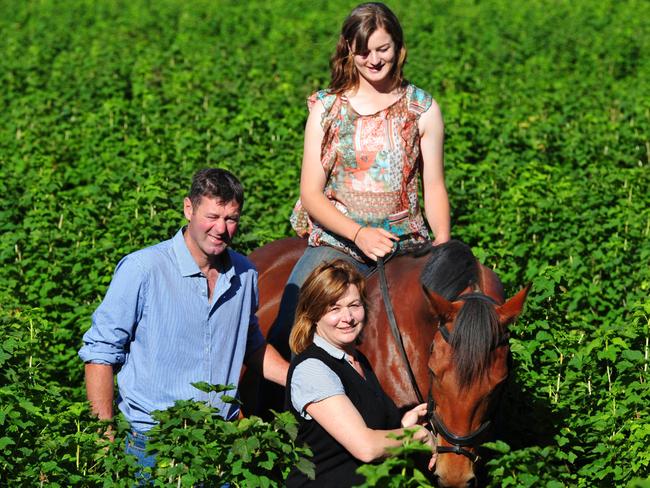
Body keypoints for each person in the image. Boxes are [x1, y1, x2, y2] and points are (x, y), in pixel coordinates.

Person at [78, 168, 289, 472]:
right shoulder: (143, 269)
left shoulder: (245, 274)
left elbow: (250, 344)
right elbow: (100, 354)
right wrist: (103, 437)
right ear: (188, 208)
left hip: (221, 445)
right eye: (212, 216)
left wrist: (301, 379)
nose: (221, 229)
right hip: (152, 445)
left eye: (231, 219)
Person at [274, 2, 451, 346]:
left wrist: (443, 246)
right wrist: (359, 235)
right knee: (290, 320)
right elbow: (311, 193)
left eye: (383, 49)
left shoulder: (423, 109)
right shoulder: (327, 108)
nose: (373, 60)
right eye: (363, 51)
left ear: (399, 48)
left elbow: (434, 186)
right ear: (349, 51)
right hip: (339, 242)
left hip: (406, 244)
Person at [285, 260, 436, 486]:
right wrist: (418, 436)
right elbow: (366, 447)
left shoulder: (357, 361)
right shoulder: (312, 369)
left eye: (354, 305)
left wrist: (403, 425)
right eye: (334, 308)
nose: (347, 318)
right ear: (314, 314)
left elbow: (360, 429)